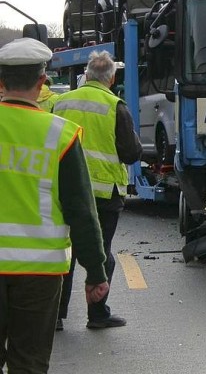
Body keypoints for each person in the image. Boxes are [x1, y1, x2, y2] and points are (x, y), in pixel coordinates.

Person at [0, 37, 108, 374]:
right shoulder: (58, 135)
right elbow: (81, 210)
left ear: (0, 82)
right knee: (28, 370)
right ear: (43, 81)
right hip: (39, 274)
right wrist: (95, 270)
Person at [53, 50, 142, 330]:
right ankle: (97, 313)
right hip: (104, 195)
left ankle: (55, 316)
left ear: (86, 75)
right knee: (100, 253)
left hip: (63, 191)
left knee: (64, 254)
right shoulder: (116, 106)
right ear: (112, 78)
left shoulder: (61, 103)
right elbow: (130, 153)